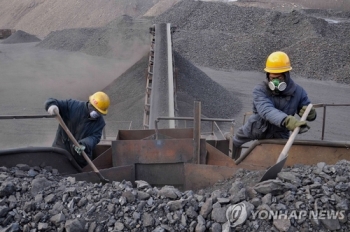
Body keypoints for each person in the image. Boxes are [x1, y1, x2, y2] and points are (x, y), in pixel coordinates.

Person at [231, 51, 317, 160]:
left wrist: (311, 114)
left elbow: (307, 109)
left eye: (279, 78)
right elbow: (266, 110)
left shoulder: (298, 92)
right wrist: (286, 120)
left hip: (280, 133)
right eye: (272, 78)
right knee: (235, 141)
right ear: (268, 76)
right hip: (257, 128)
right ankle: (232, 161)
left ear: (286, 75)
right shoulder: (260, 90)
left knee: (280, 156)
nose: (275, 82)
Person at [45, 91, 110, 167]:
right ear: (90, 103)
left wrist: (84, 144)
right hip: (60, 148)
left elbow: (95, 137)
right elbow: (52, 101)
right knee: (55, 168)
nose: (95, 113)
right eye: (94, 109)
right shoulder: (73, 105)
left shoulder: (100, 122)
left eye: (99, 112)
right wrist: (52, 106)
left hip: (80, 158)